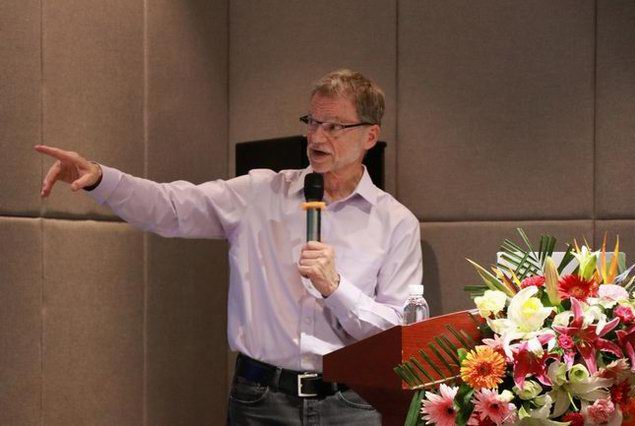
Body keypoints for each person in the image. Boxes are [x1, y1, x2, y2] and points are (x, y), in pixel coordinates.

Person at [35, 69, 423, 425]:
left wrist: (336, 289)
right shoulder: (259, 194)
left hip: (351, 405)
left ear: (370, 136)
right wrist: (100, 178)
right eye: (312, 122)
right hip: (261, 401)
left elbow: (402, 335)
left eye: (334, 126)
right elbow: (171, 207)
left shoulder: (396, 222)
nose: (317, 137)